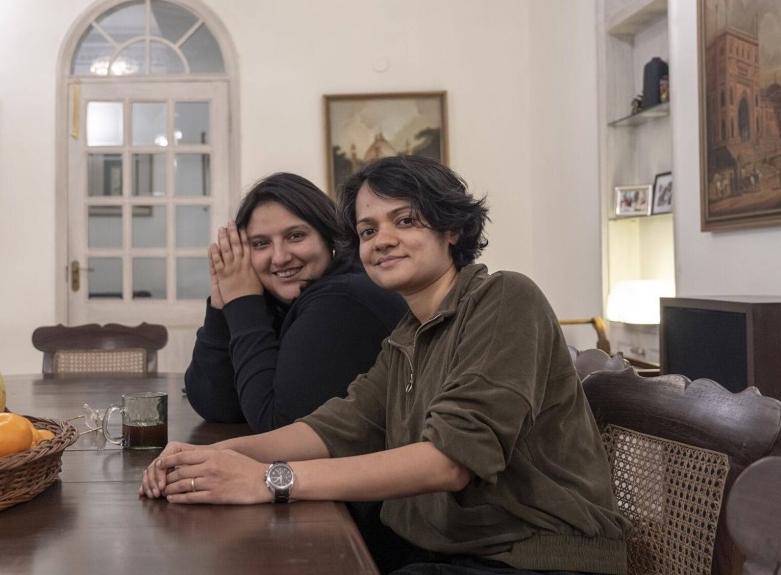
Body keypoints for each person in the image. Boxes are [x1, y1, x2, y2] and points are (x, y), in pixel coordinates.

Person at [143, 156, 629, 575]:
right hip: (446, 552)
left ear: (452, 227)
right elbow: (335, 427)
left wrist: (268, 480)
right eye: (369, 230)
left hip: (533, 559)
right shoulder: (408, 335)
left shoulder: (504, 298)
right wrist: (212, 458)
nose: (382, 240)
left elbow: (449, 461)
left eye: (406, 221)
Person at [184, 172, 408, 432]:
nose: (279, 258)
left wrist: (243, 301)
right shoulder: (283, 302)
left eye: (295, 236)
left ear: (329, 238)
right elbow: (218, 406)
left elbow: (278, 426)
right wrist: (222, 305)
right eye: (261, 243)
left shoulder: (343, 300)